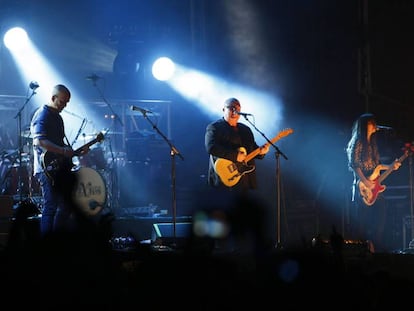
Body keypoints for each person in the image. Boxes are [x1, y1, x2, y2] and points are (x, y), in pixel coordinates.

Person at [30, 84, 89, 236]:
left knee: (65, 206)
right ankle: (47, 245)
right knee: (51, 206)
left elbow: (60, 144)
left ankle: (56, 241)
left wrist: (76, 153)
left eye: (67, 102)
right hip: (46, 169)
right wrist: (63, 151)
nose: (64, 105)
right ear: (53, 98)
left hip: (57, 168)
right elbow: (40, 141)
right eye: (62, 101)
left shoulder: (57, 117)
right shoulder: (43, 115)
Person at [346, 113, 401, 252]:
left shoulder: (372, 143)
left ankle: (376, 246)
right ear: (365, 126)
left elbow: (377, 166)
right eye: (371, 123)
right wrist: (366, 181)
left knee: (381, 215)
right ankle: (359, 248)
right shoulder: (358, 141)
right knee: (362, 221)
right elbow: (354, 165)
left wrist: (390, 166)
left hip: (373, 186)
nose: (374, 125)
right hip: (363, 187)